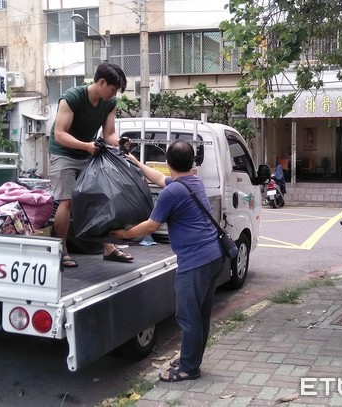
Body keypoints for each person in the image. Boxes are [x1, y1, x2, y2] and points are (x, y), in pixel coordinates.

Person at [111, 140, 225, 382]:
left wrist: (122, 234)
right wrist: (136, 162)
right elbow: (159, 179)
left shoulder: (172, 192)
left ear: (168, 163)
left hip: (195, 263)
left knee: (187, 317)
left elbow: (152, 225)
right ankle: (191, 359)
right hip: (213, 256)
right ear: (191, 162)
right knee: (200, 316)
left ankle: (189, 368)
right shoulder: (192, 182)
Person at [49, 62, 134, 267]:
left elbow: (109, 135)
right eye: (112, 89)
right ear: (101, 82)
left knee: (102, 199)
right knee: (66, 201)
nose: (113, 95)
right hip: (63, 154)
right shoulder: (72, 97)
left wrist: (120, 142)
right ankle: (61, 251)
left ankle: (108, 248)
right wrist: (86, 146)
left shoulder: (109, 104)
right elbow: (59, 134)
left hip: (88, 153)